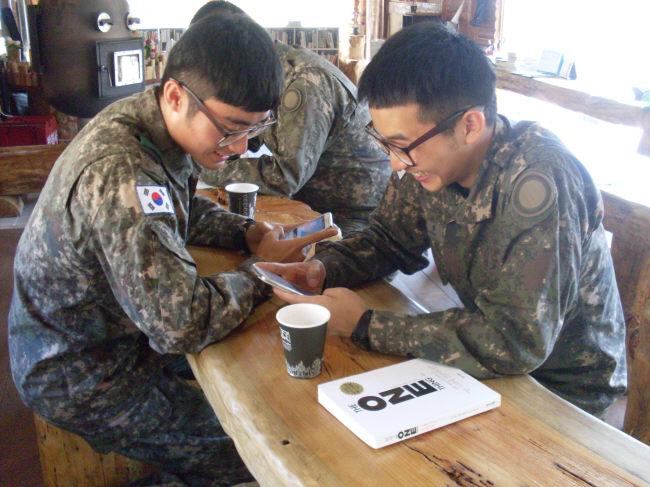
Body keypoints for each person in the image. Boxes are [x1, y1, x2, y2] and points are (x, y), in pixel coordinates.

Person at [9, 15, 335, 487]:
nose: (241, 147)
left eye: (255, 130)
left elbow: (177, 208)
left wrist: (246, 233)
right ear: (177, 95)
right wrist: (263, 273)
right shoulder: (119, 172)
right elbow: (180, 324)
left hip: (117, 332)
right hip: (78, 370)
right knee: (256, 443)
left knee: (260, 371)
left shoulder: (151, 122)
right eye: (231, 129)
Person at [259, 22, 627, 416]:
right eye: (385, 142)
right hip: (490, 364)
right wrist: (323, 269)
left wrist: (366, 324)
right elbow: (387, 240)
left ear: (470, 125)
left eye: (401, 146)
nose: (393, 162)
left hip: (566, 392)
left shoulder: (539, 181)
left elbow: (517, 341)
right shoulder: (428, 162)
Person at [192, 1, 391, 236]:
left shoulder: (304, 84)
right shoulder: (264, 75)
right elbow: (247, 136)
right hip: (311, 206)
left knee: (254, 258)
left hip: (351, 219)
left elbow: (283, 177)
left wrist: (207, 170)